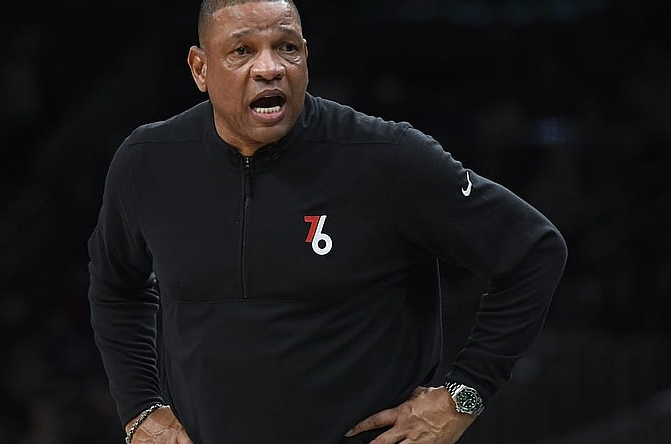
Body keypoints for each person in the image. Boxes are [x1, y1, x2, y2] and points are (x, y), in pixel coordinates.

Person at [86, 0, 568, 443]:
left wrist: (464, 395)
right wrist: (141, 409)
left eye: (287, 48)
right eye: (242, 50)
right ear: (200, 68)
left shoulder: (386, 158)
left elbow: (535, 251)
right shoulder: (148, 164)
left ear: (306, 59)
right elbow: (115, 287)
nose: (270, 68)